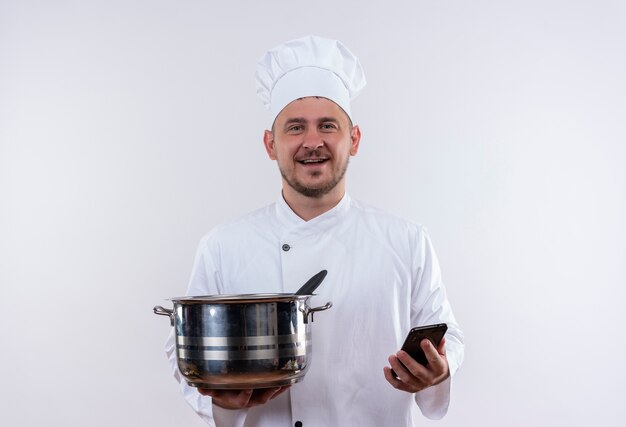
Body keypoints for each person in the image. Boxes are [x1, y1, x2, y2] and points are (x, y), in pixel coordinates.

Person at [165, 35, 464, 427]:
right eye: (295, 128)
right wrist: (224, 400)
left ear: (353, 139)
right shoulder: (223, 246)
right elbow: (186, 353)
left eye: (328, 125)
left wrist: (440, 369)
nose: (312, 142)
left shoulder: (406, 241)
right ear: (270, 144)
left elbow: (448, 337)